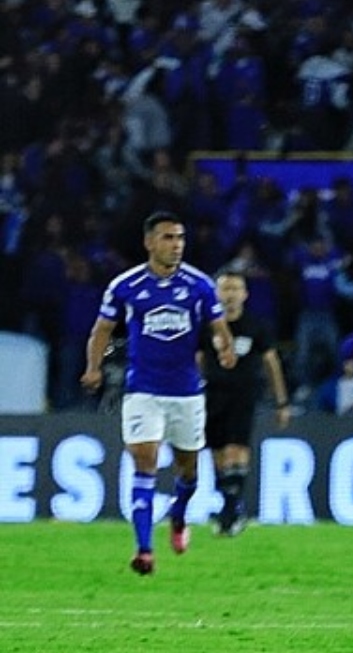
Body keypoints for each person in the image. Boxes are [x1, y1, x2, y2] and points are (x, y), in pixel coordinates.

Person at [80, 211, 237, 575]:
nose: (176, 245)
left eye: (180, 238)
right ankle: (144, 549)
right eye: (168, 238)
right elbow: (102, 330)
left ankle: (179, 515)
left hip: (186, 392)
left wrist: (224, 347)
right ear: (150, 242)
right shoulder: (126, 285)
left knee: (189, 471)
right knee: (144, 459)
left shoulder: (198, 285)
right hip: (143, 390)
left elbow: (218, 325)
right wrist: (94, 366)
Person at [200, 269, 290, 536]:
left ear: (245, 294)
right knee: (217, 455)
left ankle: (229, 515)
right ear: (216, 294)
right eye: (225, 289)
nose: (230, 295)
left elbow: (271, 363)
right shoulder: (206, 326)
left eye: (235, 289)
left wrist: (281, 402)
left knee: (236, 451)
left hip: (243, 394)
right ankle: (230, 509)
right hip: (212, 395)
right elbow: (196, 361)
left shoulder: (256, 326)